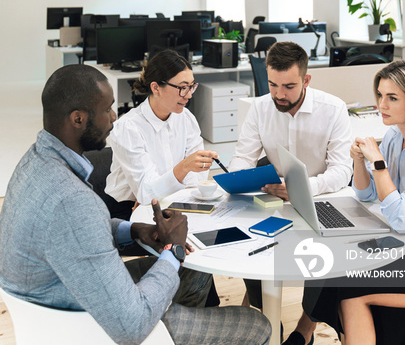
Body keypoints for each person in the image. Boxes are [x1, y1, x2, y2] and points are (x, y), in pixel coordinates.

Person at [0, 64, 271, 345]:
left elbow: (72, 231)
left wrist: (133, 230)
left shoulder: (34, 162)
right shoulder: (73, 199)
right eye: (107, 109)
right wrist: (173, 250)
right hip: (91, 325)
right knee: (258, 325)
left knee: (195, 271)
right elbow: (132, 325)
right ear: (78, 119)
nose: (113, 118)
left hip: (63, 296)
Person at [308, 59, 405, 345]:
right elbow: (367, 194)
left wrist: (378, 162)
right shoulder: (395, 135)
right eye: (380, 95)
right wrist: (358, 160)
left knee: (351, 291)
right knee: (337, 271)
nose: (382, 104)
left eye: (392, 98)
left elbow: (402, 217)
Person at [230, 41, 352, 345]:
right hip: (275, 198)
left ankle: (305, 330)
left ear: (306, 80)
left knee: (331, 253)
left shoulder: (333, 109)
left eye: (288, 86)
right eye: (272, 83)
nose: (278, 94)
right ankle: (264, 318)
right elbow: (243, 157)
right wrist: (236, 178)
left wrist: (301, 188)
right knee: (247, 238)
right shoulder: (260, 108)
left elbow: (341, 171)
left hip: (323, 197)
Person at [106, 49, 218, 205]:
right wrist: (184, 166)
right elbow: (146, 193)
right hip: (128, 206)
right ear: (156, 87)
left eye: (191, 86)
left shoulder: (185, 118)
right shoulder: (129, 127)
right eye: (182, 87)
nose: (189, 95)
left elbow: (196, 178)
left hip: (173, 200)